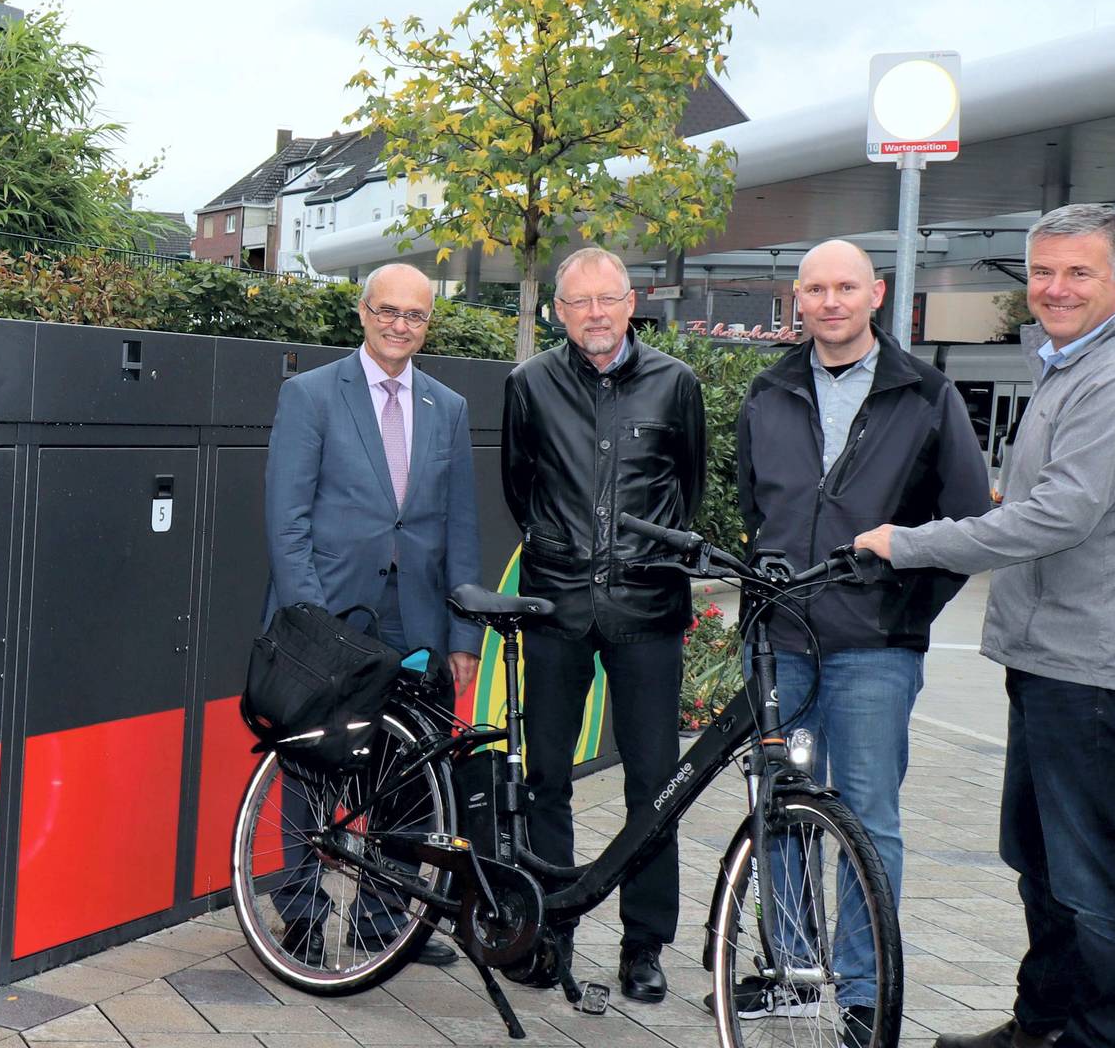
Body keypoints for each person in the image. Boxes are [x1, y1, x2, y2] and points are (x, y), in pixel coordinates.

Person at [857, 206, 1115, 1048]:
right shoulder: (1068, 367)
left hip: (1097, 671)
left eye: (1078, 273)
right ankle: (1041, 1026)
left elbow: (1057, 516)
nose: (1054, 288)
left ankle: (1101, 1038)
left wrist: (912, 542)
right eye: (1042, 272)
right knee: (1044, 868)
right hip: (1054, 662)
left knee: (1099, 882)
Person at [727, 240, 992, 1037]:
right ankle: (794, 973)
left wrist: (902, 608)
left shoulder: (926, 395)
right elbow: (754, 511)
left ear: (876, 295)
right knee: (777, 812)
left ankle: (861, 990)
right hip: (780, 639)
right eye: (815, 288)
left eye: (846, 286)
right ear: (796, 300)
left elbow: (966, 521)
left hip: (874, 646)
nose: (830, 301)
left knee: (868, 819)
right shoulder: (765, 393)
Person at [262, 262, 482, 968]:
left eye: (414, 315)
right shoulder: (311, 395)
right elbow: (286, 519)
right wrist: (309, 622)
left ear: (428, 323)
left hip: (414, 619)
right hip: (330, 614)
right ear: (362, 312)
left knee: (410, 774)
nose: (399, 325)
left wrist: (463, 631)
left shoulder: (446, 407)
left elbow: (461, 529)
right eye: (387, 311)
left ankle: (384, 921)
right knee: (309, 768)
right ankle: (299, 911)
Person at [500, 246, 703, 1003]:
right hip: (555, 606)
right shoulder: (529, 385)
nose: (594, 313)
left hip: (648, 611)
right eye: (578, 301)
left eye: (607, 299)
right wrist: (562, 553)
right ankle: (551, 927)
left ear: (631, 303)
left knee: (656, 785)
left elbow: (686, 487)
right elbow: (519, 488)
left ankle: (644, 944)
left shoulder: (675, 385)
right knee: (546, 777)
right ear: (558, 310)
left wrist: (637, 560)